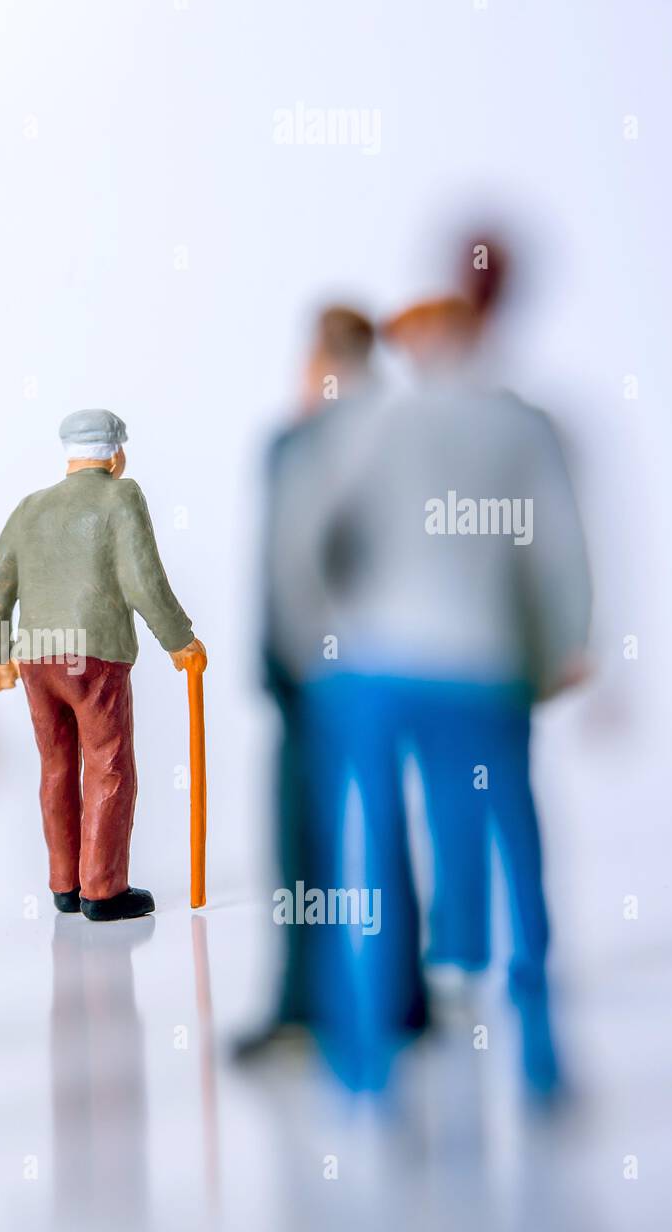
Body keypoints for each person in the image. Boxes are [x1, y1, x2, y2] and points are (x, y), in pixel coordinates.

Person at [279, 297, 592, 1094]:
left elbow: (312, 532)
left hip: (379, 661)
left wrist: (320, 632)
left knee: (374, 846)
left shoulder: (371, 421)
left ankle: (368, 1047)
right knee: (512, 833)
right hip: (482, 662)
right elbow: (557, 546)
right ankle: (537, 1025)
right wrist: (564, 644)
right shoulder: (519, 426)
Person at [232, 306, 410, 1061]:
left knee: (355, 833)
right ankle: (322, 999)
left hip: (352, 667)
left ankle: (377, 1000)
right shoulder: (288, 442)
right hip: (307, 670)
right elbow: (274, 563)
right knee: (319, 837)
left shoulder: (378, 442)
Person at [0, 409, 205, 921]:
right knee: (108, 764)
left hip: (36, 657)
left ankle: (64, 883)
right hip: (93, 654)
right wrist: (180, 640)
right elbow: (142, 580)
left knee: (56, 765)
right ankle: (102, 889)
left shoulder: (30, 507)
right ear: (116, 453)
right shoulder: (121, 496)